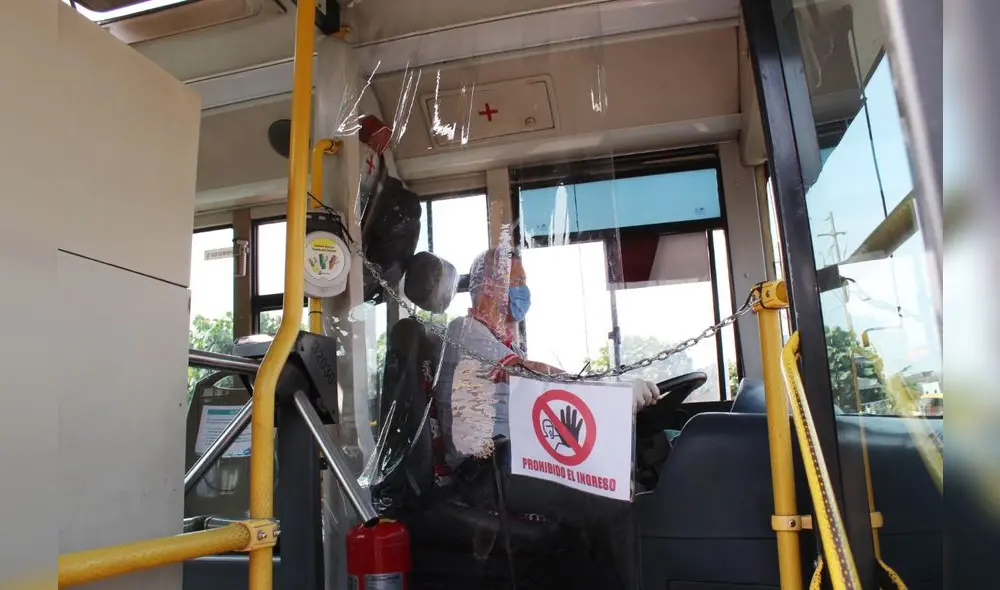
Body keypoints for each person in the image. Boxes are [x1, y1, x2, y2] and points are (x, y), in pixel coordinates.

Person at [434, 245, 659, 589]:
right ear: (489, 286)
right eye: (516, 280)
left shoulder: (501, 340)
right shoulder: (466, 331)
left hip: (512, 457)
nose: (523, 290)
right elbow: (531, 375)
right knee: (616, 502)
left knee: (616, 482)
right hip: (486, 470)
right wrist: (613, 388)